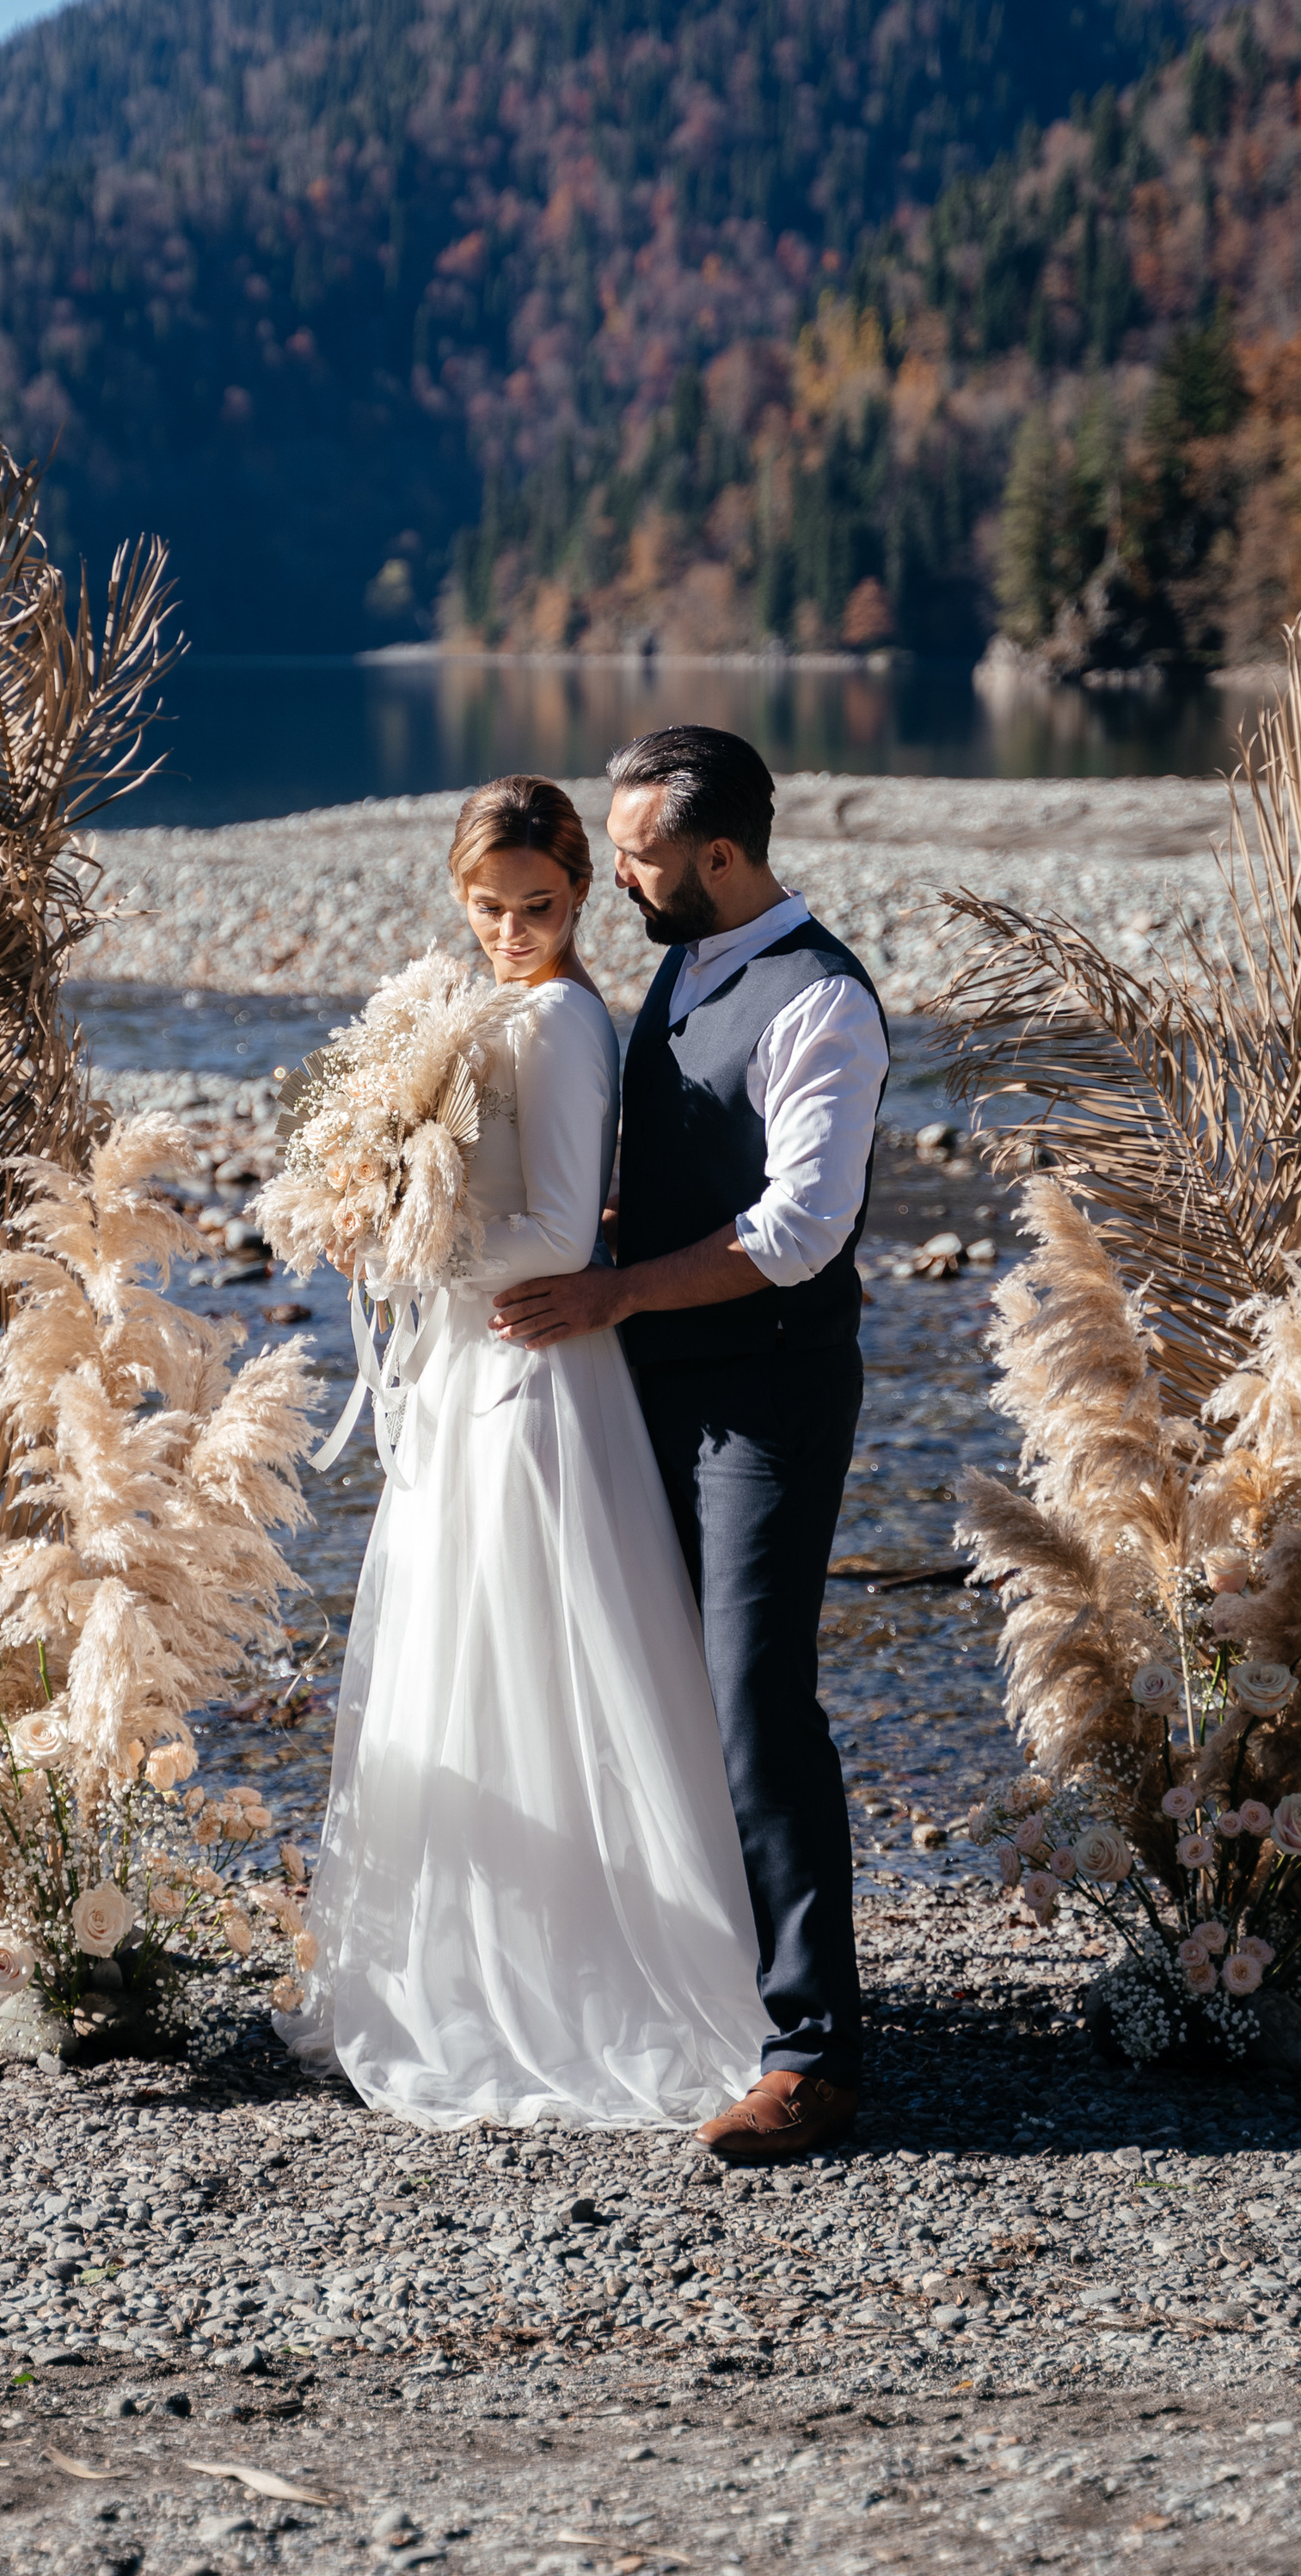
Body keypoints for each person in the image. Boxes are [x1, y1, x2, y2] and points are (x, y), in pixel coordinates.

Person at [277, 772, 764, 2127]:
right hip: (475, 1362)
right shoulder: (478, 1002)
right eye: (488, 908)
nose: (511, 931)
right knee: (461, 1651)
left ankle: (575, 1973)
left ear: (583, 895)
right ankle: (470, 1958)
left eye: (538, 907)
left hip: (535, 1369)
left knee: (540, 1657)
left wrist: (409, 1243)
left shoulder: (559, 1020)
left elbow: (562, 1233)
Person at [491, 727, 888, 2165]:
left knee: (753, 1698)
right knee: (644, 1673)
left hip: (767, 1399)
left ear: (719, 857)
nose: (622, 875)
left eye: (641, 852)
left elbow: (799, 1233)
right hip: (647, 1381)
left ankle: (817, 2060)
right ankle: (707, 1986)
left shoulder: (822, 1003)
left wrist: (610, 1288)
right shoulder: (688, 957)